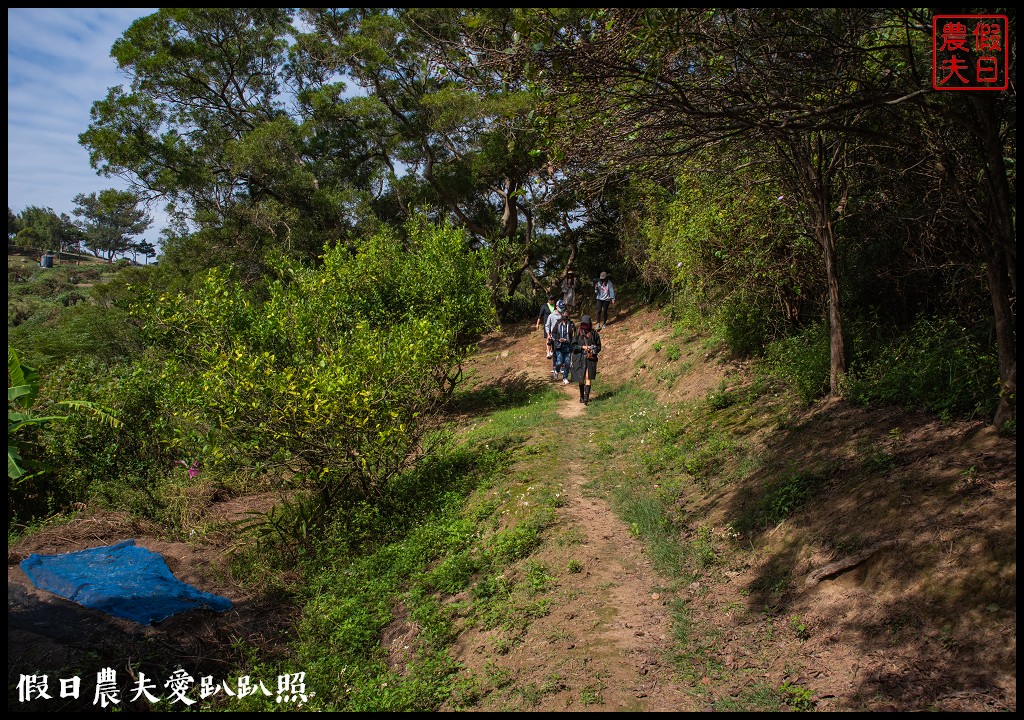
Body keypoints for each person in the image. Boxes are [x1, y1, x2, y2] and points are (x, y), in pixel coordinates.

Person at [570, 314, 602, 405]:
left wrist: (593, 349)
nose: (585, 326)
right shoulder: (577, 333)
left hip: (590, 358)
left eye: (586, 324)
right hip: (579, 358)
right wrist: (582, 347)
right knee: (581, 378)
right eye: (583, 324)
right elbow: (573, 347)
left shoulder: (594, 334)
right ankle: (581, 396)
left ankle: (586, 398)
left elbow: (599, 347)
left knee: (588, 377)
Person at [550, 307, 576, 384]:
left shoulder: (571, 324)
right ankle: (556, 371)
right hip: (559, 346)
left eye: (566, 317)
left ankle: (565, 377)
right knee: (559, 362)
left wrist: (573, 343)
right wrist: (558, 339)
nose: (565, 318)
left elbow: (574, 334)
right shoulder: (558, 323)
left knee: (567, 363)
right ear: (562, 316)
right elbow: (553, 333)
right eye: (564, 316)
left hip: (568, 346)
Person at [544, 299, 567, 379]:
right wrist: (548, 334)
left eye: (563, 307)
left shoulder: (563, 315)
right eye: (561, 307)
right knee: (555, 352)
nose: (562, 309)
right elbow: (547, 325)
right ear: (556, 307)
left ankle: (561, 366)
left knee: (563, 351)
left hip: (562, 337)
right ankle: (554, 366)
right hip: (554, 337)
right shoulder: (551, 316)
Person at [535, 293, 556, 358]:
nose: (552, 301)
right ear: (548, 300)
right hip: (547, 325)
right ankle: (548, 351)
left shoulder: (556, 306)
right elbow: (540, 316)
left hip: (555, 325)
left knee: (554, 337)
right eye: (550, 300)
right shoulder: (544, 306)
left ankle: (553, 350)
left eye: (553, 300)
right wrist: (537, 323)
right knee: (548, 337)